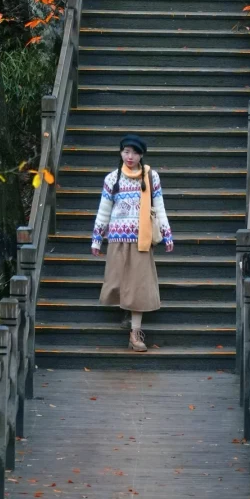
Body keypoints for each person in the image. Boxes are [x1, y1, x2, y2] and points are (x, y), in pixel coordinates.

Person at [90, 133, 173, 353]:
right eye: (126, 151)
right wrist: (97, 238)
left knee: (139, 288)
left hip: (141, 241)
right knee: (119, 284)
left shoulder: (150, 177)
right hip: (117, 239)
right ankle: (127, 314)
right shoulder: (111, 179)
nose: (130, 156)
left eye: (135, 152)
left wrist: (167, 234)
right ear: (120, 152)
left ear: (141, 155)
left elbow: (160, 206)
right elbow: (104, 210)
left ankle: (135, 334)